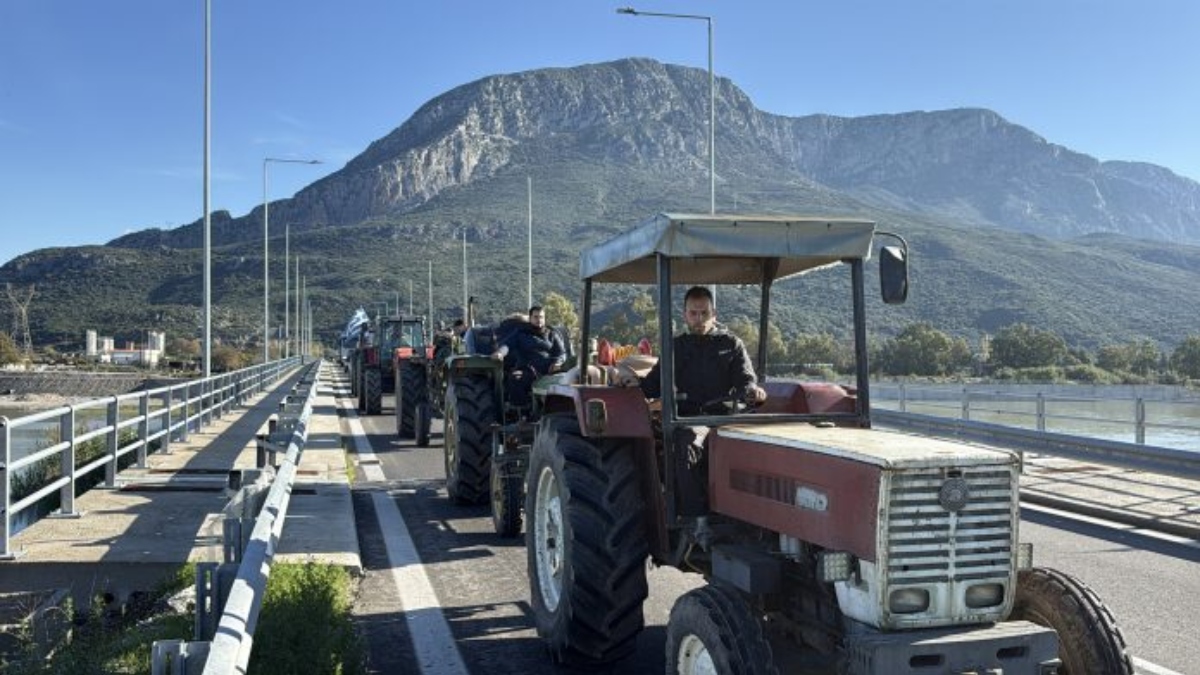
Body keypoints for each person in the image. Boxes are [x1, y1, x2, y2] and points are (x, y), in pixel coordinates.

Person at [629, 285, 767, 516]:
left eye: (704, 313)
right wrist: (632, 385)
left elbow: (746, 381)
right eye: (693, 313)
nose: (699, 318)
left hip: (725, 417)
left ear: (714, 315)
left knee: (761, 444)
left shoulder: (731, 344)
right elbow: (654, 384)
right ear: (685, 315)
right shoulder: (676, 347)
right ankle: (695, 519)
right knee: (688, 441)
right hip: (690, 416)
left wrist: (753, 391)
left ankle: (754, 515)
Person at [492, 305, 566, 375]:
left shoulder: (552, 333)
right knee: (516, 379)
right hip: (527, 370)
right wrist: (500, 353)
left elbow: (561, 353)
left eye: (541, 317)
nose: (539, 320)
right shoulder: (521, 333)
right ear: (530, 318)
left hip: (549, 371)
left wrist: (557, 363)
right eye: (536, 317)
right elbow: (507, 345)